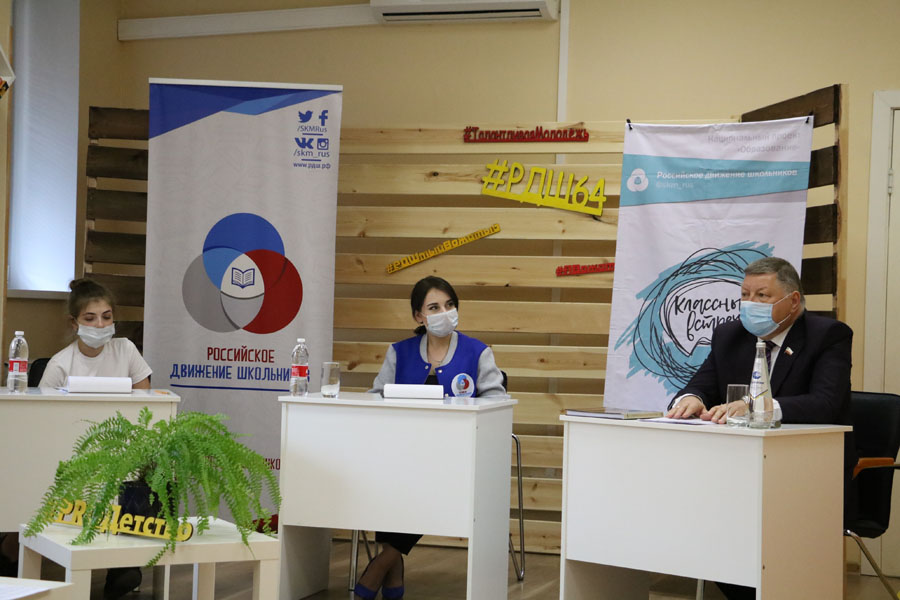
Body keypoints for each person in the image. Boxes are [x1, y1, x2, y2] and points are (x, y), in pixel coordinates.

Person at [665, 256, 855, 600]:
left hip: (808, 473)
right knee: (698, 521)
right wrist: (691, 398)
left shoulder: (827, 336)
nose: (749, 304)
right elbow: (701, 384)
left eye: (762, 296)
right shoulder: (730, 335)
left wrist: (758, 407)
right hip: (737, 472)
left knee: (746, 531)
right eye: (744, 294)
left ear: (793, 301)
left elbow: (826, 403)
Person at [357, 276, 505, 600]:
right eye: (434, 307)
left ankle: (384, 561)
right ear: (418, 316)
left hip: (458, 457)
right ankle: (393, 566)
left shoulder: (478, 352)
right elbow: (376, 395)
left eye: (449, 305)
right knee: (393, 474)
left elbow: (497, 402)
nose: (444, 313)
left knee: (422, 477)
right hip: (403, 451)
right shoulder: (399, 352)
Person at [39, 278, 152, 599]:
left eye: (106, 317)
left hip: (123, 448)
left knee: (143, 475)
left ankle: (124, 566)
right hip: (73, 452)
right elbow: (45, 421)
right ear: (74, 322)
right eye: (90, 318)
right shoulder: (60, 365)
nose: (100, 325)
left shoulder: (126, 350)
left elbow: (145, 406)